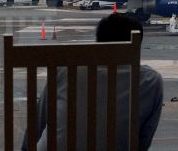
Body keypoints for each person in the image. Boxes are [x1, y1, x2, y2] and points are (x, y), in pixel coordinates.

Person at [22, 13, 163, 151]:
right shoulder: (151, 81)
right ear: (136, 47)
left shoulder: (66, 69)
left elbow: (37, 124)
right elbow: (142, 142)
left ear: (98, 43)